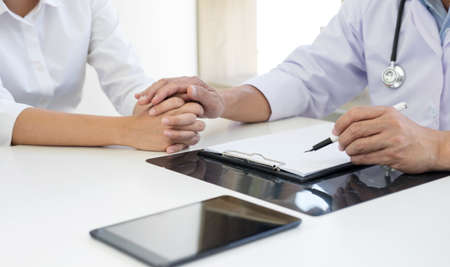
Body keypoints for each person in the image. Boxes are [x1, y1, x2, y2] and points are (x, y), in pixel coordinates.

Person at [136, 0, 450, 174]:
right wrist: (221, 100)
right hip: (401, 194)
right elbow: (308, 77)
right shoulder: (376, 5)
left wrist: (437, 148)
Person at [0, 0, 204, 153]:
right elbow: (4, 116)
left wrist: (166, 115)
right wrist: (129, 130)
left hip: (63, 157)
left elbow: (128, 81)